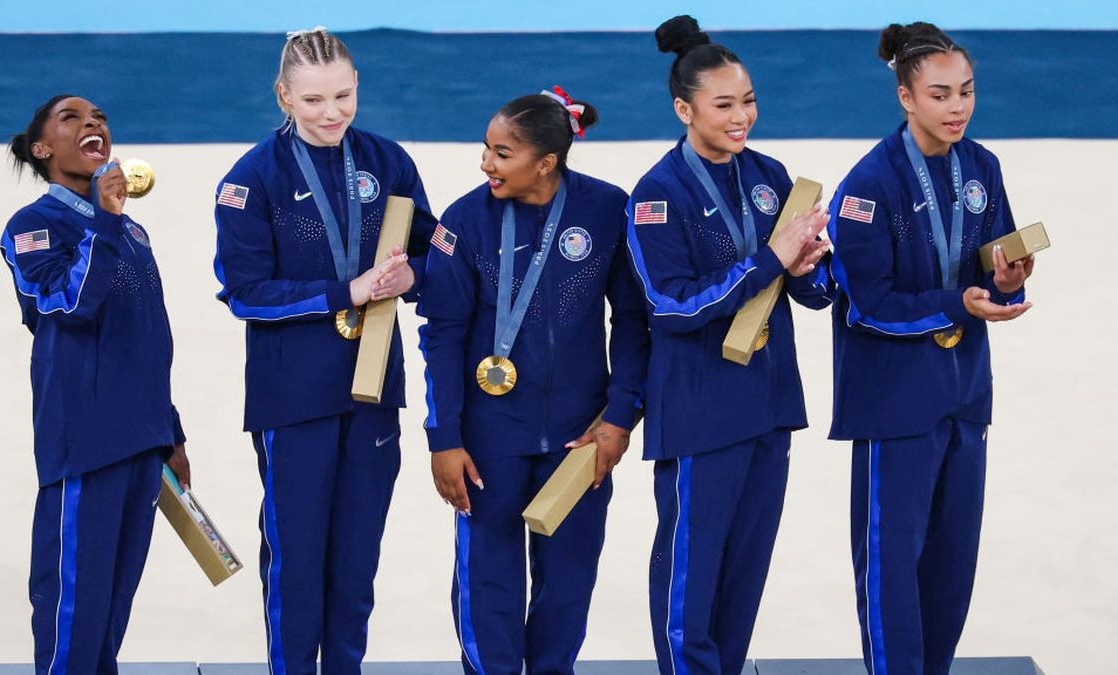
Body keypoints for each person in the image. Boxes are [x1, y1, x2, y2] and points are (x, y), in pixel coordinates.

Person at [212, 27, 437, 674]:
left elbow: (429, 249)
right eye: (312, 100)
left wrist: (412, 278)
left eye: (343, 95)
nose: (331, 112)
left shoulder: (389, 162)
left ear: (358, 87)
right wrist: (349, 288)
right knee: (296, 559)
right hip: (294, 397)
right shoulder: (251, 179)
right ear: (283, 95)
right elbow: (246, 291)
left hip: (373, 388)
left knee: (356, 562)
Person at [625, 16, 833, 674]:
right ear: (684, 109)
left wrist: (813, 267)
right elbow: (672, 304)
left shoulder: (771, 176)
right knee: (692, 577)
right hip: (700, 411)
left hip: (769, 406)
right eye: (724, 105)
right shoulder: (657, 196)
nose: (742, 116)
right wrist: (772, 257)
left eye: (748, 100)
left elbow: (812, 293)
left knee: (744, 573)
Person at [826, 22, 1034, 675]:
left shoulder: (982, 165)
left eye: (967, 92)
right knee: (893, 565)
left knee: (952, 562)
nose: (958, 108)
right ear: (906, 98)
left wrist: (1004, 277)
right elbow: (868, 304)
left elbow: (991, 255)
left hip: (965, 392)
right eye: (940, 95)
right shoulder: (869, 185)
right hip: (895, 403)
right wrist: (957, 303)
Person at [418, 87, 649, 674]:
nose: (486, 164)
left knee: (567, 584)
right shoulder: (464, 221)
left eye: (502, 153)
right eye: (486, 150)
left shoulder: (605, 211)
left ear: (545, 162)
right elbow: (441, 334)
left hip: (580, 436)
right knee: (487, 582)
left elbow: (633, 320)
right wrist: (443, 436)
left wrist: (620, 417)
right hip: (488, 439)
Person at [0, 94, 191, 674]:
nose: (94, 124)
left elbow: (147, 342)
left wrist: (171, 433)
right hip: (83, 443)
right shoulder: (33, 227)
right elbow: (70, 304)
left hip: (142, 441)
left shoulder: (131, 233)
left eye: (101, 117)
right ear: (42, 148)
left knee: (110, 612)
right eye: (72, 118)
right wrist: (106, 223)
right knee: (73, 611)